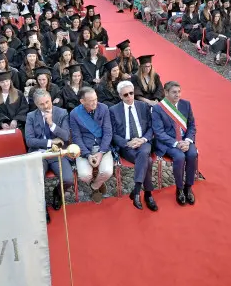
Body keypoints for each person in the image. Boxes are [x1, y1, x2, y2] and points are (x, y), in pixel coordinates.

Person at [110, 81, 157, 211]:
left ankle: (136, 191)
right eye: (126, 95)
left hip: (144, 142)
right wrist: (127, 143)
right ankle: (148, 194)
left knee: (144, 153)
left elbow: (151, 128)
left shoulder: (143, 106)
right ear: (120, 96)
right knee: (146, 160)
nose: (130, 96)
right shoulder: (113, 110)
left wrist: (142, 139)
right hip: (127, 146)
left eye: (131, 93)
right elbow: (113, 134)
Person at [25, 88, 74, 212]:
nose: (46, 106)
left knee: (68, 179)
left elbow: (66, 136)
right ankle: (41, 204)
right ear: (36, 104)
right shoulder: (31, 116)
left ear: (51, 99)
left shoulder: (62, 113)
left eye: (47, 102)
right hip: (39, 153)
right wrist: (51, 142)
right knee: (36, 179)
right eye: (41, 104)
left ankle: (57, 193)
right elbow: (30, 141)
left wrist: (52, 124)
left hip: (58, 153)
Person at [152, 81, 197, 206]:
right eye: (174, 92)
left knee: (192, 154)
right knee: (180, 156)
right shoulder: (158, 109)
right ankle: (179, 189)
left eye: (179, 92)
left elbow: (192, 125)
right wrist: (177, 144)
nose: (177, 95)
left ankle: (188, 187)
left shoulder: (186, 104)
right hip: (169, 142)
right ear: (166, 93)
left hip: (185, 140)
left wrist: (187, 141)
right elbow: (159, 132)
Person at [69, 87, 114, 204]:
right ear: (82, 102)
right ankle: (97, 183)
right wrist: (88, 155)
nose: (95, 103)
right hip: (85, 148)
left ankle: (95, 187)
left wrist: (101, 152)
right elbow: (76, 137)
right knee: (84, 176)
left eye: (96, 99)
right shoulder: (74, 114)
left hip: (102, 147)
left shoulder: (103, 108)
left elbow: (108, 132)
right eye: (91, 101)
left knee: (107, 172)